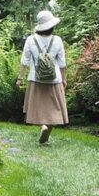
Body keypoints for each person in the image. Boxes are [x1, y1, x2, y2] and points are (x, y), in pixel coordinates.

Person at [16, 10, 69, 144]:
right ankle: (48, 128)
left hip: (36, 79)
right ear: (52, 26)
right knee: (54, 108)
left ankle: (43, 126)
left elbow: (24, 61)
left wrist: (20, 78)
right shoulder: (57, 40)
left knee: (37, 107)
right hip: (54, 80)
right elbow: (62, 63)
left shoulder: (31, 39)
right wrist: (64, 79)